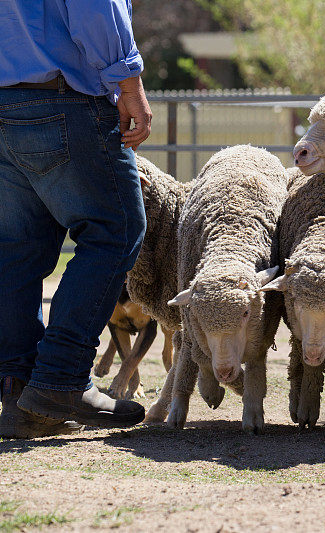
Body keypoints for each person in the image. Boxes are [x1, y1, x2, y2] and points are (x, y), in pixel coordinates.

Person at [0, 0, 153, 438]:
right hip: (63, 98)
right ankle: (59, 382)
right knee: (115, 231)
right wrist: (129, 84)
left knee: (17, 250)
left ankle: (17, 391)